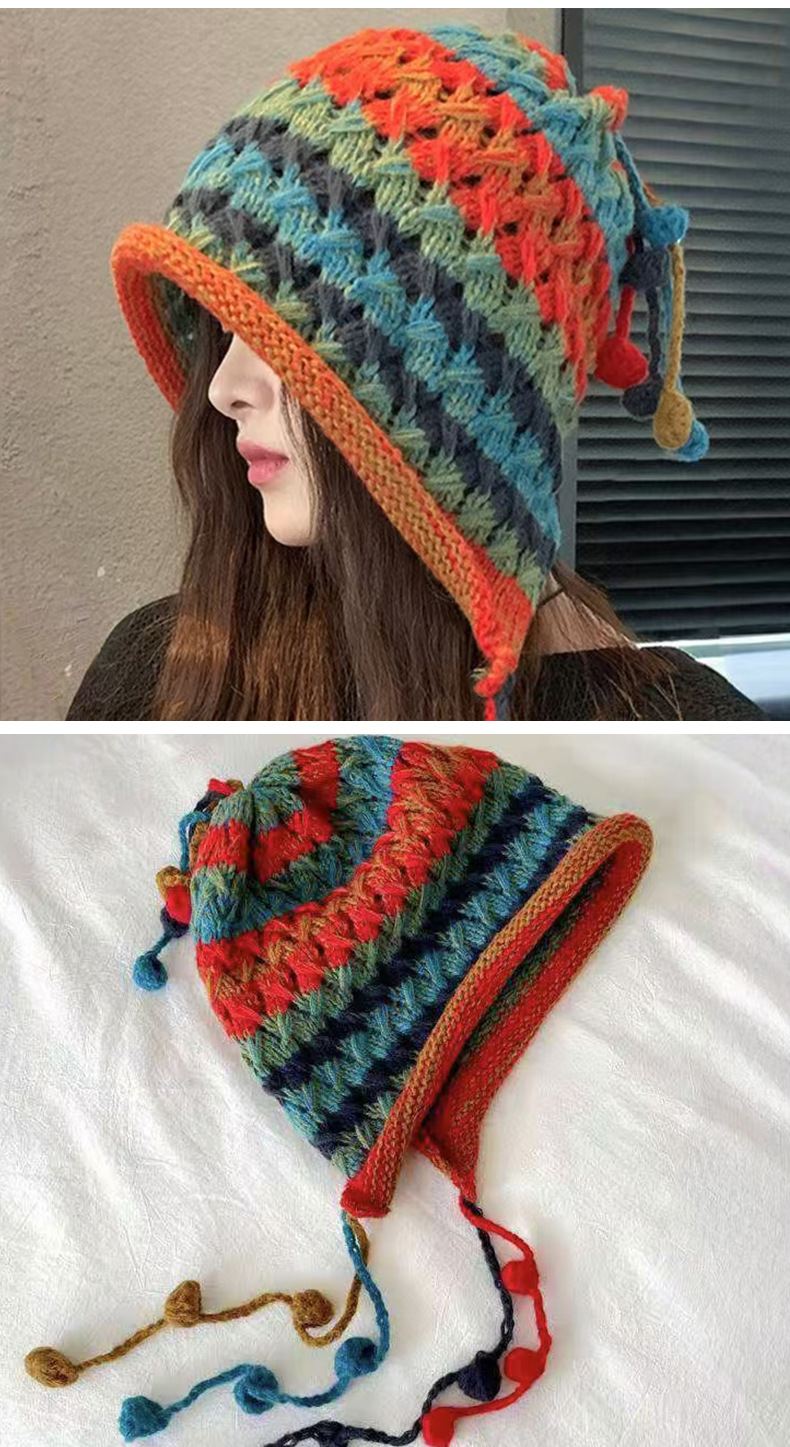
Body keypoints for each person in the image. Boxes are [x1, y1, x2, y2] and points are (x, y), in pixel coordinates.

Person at [67, 22, 763, 722]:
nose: (222, 390)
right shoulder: (157, 673)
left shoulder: (690, 736)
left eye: (284, 339)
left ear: (461, 391)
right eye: (226, 327)